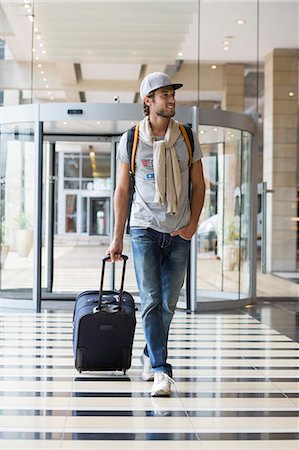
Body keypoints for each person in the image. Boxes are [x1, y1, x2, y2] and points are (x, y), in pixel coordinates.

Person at [107, 72, 205, 396]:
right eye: (165, 95)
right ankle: (162, 370)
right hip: (144, 228)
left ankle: (150, 353)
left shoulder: (187, 137)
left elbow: (199, 184)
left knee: (169, 303)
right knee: (150, 300)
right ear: (148, 101)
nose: (172, 100)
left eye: (173, 94)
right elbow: (123, 189)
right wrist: (117, 237)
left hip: (179, 231)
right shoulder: (131, 139)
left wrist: (192, 226)